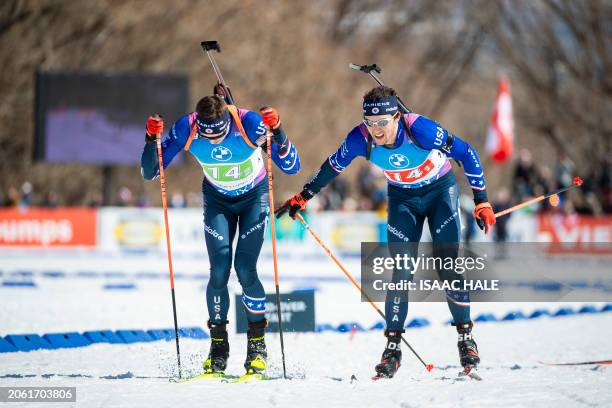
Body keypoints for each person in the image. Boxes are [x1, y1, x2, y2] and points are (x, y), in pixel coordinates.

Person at [276, 86, 495, 378]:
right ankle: (392, 348)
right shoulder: (360, 138)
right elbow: (332, 166)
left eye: (382, 123)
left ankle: (465, 340)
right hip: (403, 199)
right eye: (370, 122)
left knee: (448, 266)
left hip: (440, 193)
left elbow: (466, 152)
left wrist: (482, 200)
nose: (376, 130)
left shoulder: (421, 129)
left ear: (396, 116)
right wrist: (304, 196)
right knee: (401, 271)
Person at [141, 90, 300, 375]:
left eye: (219, 135)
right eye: (207, 136)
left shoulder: (248, 123)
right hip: (217, 200)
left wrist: (278, 130)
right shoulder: (187, 127)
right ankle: (218, 347)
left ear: (227, 121)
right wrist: (151, 140)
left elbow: (291, 167)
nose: (213, 141)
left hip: (254, 198)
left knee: (245, 268)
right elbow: (151, 172)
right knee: (218, 271)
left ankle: (257, 347)